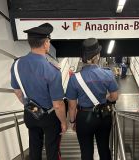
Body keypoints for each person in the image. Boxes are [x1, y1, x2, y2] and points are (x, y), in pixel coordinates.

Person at [10, 23, 67, 160]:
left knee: (34, 147)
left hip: (30, 114)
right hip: (49, 117)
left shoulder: (16, 64)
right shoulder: (52, 70)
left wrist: (30, 106)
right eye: (49, 41)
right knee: (52, 149)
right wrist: (64, 123)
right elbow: (58, 104)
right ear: (46, 43)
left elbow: (17, 91)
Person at [66, 38, 118, 160]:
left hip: (84, 118)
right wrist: (105, 99)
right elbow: (114, 96)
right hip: (103, 116)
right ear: (98, 55)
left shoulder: (74, 78)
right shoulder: (107, 73)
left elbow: (72, 106)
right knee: (104, 149)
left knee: (86, 152)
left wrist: (73, 122)